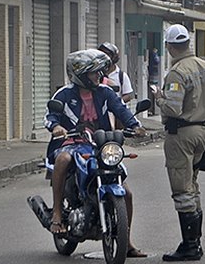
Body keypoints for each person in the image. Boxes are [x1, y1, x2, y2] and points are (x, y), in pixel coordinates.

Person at [45, 49, 147, 257]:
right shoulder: (64, 94)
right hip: (71, 142)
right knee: (63, 159)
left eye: (99, 72)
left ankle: (126, 241)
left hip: (99, 145)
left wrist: (135, 125)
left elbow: (121, 110)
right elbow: (50, 116)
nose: (98, 76)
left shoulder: (105, 92)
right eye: (93, 73)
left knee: (126, 192)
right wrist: (56, 127)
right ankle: (57, 212)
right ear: (80, 74)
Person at [152, 24, 205, 262]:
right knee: (193, 186)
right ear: (188, 43)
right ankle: (195, 242)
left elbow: (173, 107)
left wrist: (159, 98)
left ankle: (190, 245)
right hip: (202, 130)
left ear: (169, 47)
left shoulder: (177, 73)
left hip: (181, 134)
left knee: (182, 189)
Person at [148, 48, 161, 116]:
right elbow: (156, 60)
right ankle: (150, 109)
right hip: (152, 75)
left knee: (153, 91)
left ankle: (151, 109)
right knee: (152, 91)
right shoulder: (154, 56)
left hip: (153, 75)